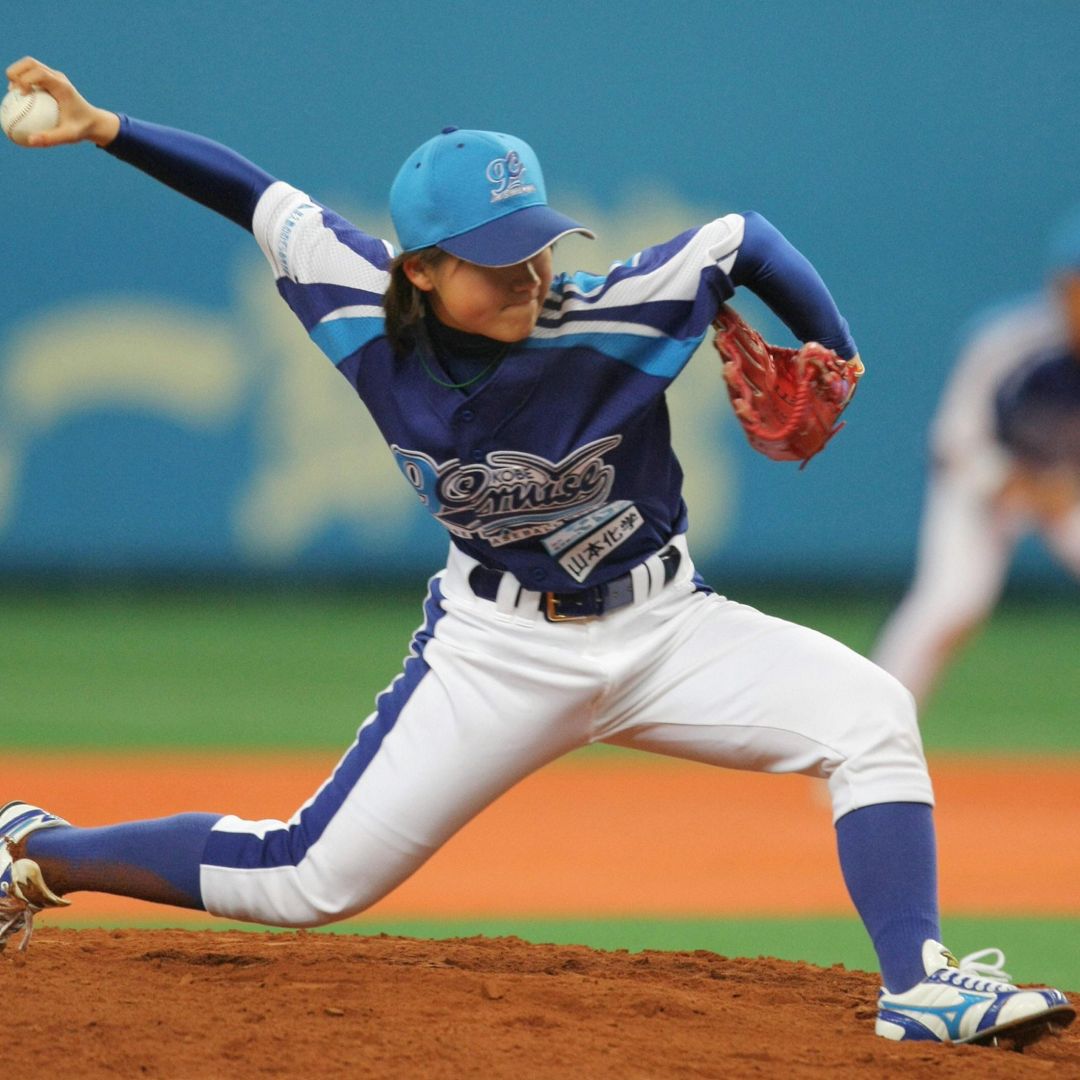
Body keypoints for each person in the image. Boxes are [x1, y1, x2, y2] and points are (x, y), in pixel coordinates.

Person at [0, 56, 1073, 1050]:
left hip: (667, 628)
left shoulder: (613, 312)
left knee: (871, 712)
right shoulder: (351, 300)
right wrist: (105, 128)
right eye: (495, 257)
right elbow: (255, 195)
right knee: (302, 880)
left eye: (537, 242)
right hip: (496, 650)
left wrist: (828, 344)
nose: (529, 273)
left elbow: (746, 238)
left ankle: (919, 986)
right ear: (418, 268)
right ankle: (36, 850)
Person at [872, 214, 1080, 707]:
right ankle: (866, 731)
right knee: (951, 602)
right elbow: (954, 441)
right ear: (1059, 288)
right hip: (984, 488)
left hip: (1068, 490)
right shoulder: (1009, 343)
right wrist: (1015, 482)